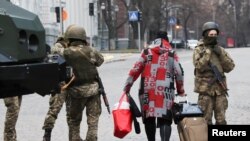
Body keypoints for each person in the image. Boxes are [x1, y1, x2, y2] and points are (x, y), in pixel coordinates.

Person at [122, 31, 185, 141]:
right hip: (165, 91)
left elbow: (135, 70)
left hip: (147, 90)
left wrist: (127, 87)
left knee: (149, 118)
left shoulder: (146, 52)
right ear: (167, 40)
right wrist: (180, 90)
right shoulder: (171, 53)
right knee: (165, 118)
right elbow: (179, 72)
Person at [62, 25, 104, 141]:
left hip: (75, 93)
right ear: (83, 38)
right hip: (93, 91)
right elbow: (100, 61)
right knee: (93, 122)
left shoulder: (66, 53)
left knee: (74, 123)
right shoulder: (91, 51)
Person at [193, 21, 235, 125]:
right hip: (205, 91)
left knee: (221, 121)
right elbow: (199, 67)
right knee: (205, 121)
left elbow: (230, 67)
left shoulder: (220, 50)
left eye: (215, 35)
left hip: (220, 90)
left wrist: (220, 54)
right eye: (211, 35)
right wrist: (207, 53)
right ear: (205, 34)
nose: (213, 37)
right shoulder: (199, 50)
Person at [42, 25, 75, 141]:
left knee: (72, 114)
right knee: (54, 110)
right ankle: (47, 134)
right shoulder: (58, 46)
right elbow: (56, 52)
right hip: (60, 84)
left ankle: (73, 137)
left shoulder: (74, 46)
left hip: (71, 83)